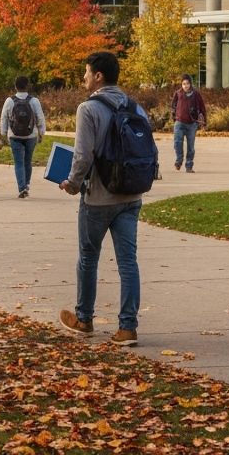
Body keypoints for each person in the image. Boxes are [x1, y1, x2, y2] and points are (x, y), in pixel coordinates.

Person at [58, 51, 148, 347]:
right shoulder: (136, 107)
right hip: (131, 194)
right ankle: (127, 328)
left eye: (86, 72)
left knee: (88, 257)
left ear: (98, 76)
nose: (83, 77)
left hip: (98, 196)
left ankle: (84, 319)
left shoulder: (89, 108)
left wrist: (72, 183)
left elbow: (83, 156)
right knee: (128, 262)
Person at [0, 75, 46, 198]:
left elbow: (4, 118)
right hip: (31, 136)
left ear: (15, 86)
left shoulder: (9, 101)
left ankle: (21, 188)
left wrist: (3, 134)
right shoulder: (34, 101)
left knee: (18, 162)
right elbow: (40, 118)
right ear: (27, 86)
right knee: (28, 161)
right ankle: (26, 184)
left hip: (14, 136)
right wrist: (41, 133)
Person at [171, 73, 206, 173]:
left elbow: (203, 108)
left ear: (190, 84)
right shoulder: (178, 93)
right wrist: (175, 117)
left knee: (190, 147)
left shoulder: (196, 94)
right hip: (179, 123)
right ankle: (179, 160)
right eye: (183, 84)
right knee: (177, 143)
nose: (185, 85)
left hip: (192, 124)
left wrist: (204, 122)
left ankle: (189, 166)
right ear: (181, 85)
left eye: (187, 83)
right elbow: (173, 106)